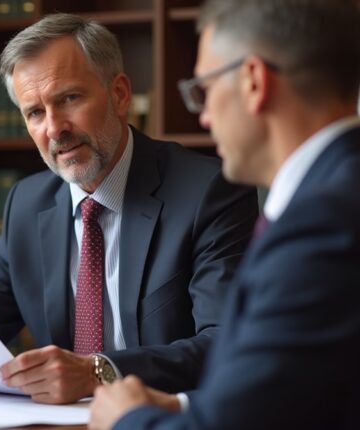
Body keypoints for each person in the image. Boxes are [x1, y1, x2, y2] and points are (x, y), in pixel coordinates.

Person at [0, 13, 259, 404]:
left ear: (119, 94)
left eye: (69, 98)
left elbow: (223, 343)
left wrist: (97, 371)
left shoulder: (208, 191)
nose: (54, 128)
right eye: (34, 113)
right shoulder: (27, 205)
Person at [89, 0, 360, 428]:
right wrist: (181, 407)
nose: (204, 117)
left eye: (204, 90)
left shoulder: (321, 225)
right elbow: (297, 393)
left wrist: (128, 419)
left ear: (254, 81)